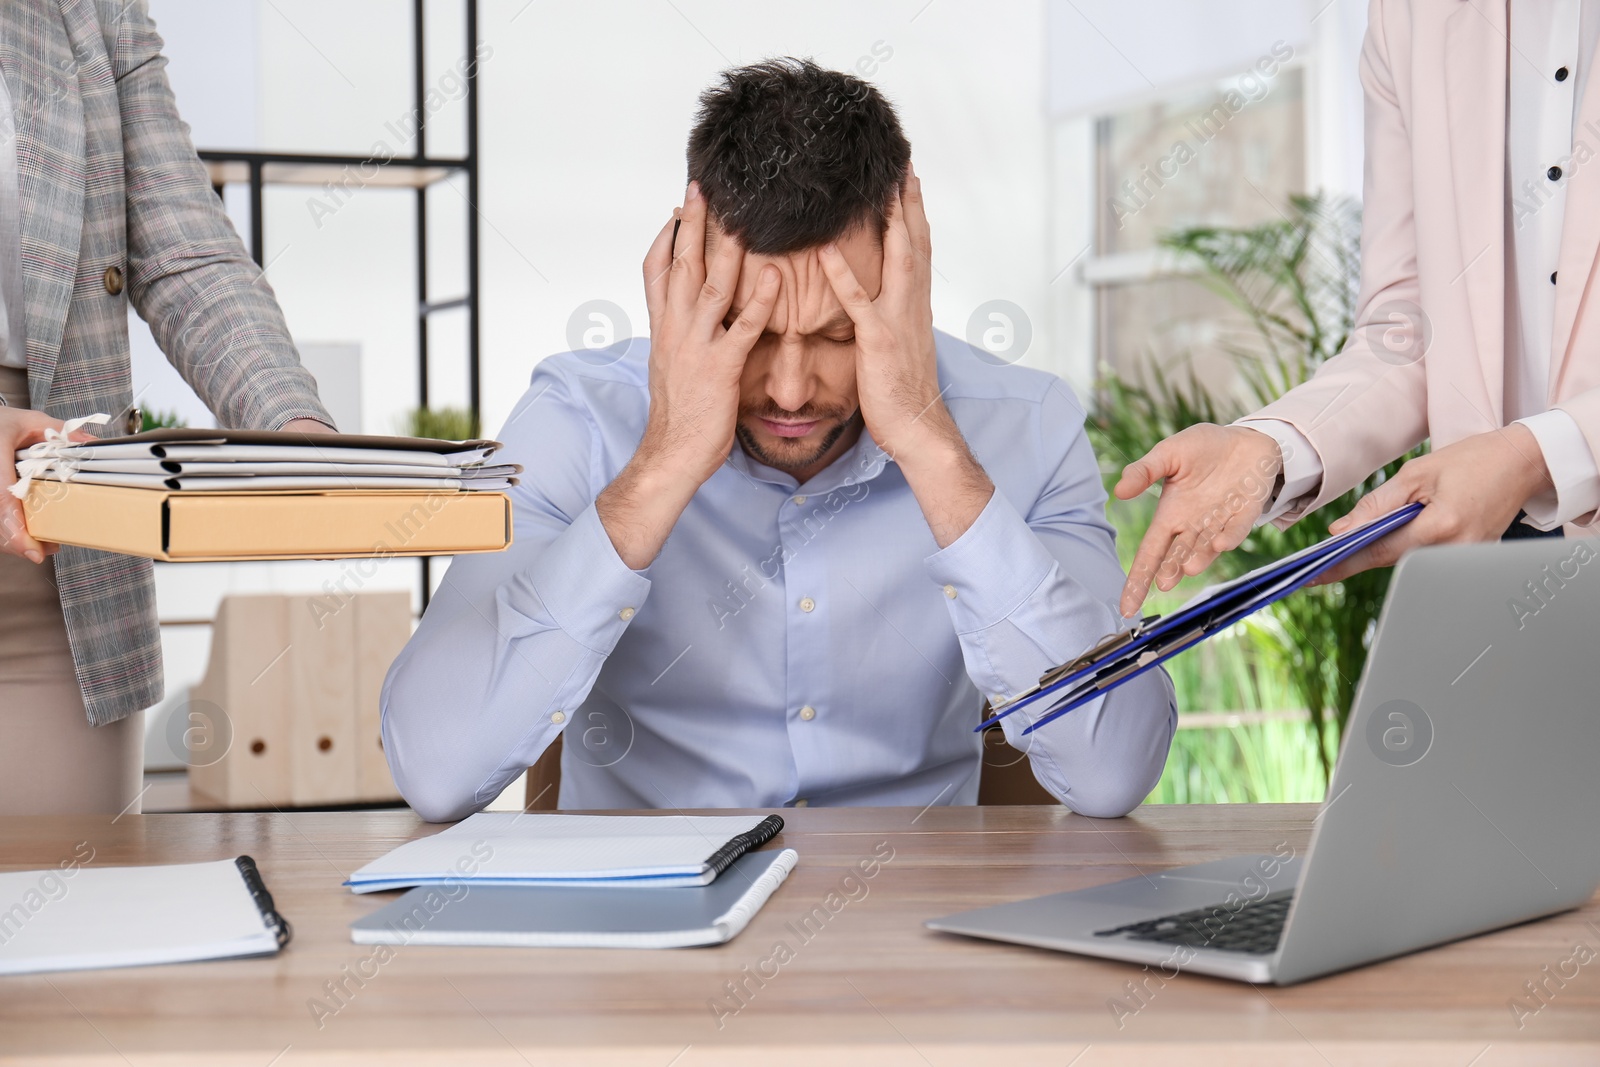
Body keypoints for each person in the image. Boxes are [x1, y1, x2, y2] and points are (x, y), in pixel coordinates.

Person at [381, 58, 1176, 822]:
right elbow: (436, 770)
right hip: (643, 934)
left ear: (909, 274)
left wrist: (934, 449)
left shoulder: (1024, 423)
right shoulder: (578, 419)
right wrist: (660, 466)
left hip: (914, 926)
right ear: (683, 273)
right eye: (746, 331)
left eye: (840, 334)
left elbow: (1112, 772)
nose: (791, 390)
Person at [1117, 0, 1600, 619]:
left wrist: (1532, 454)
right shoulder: (1409, 16)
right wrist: (1271, 449)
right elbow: (1406, 328)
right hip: (1493, 554)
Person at [0, 1, 333, 815]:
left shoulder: (86, 11)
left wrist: (297, 430)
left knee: (82, 913)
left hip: (62, 541)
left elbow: (184, 251)